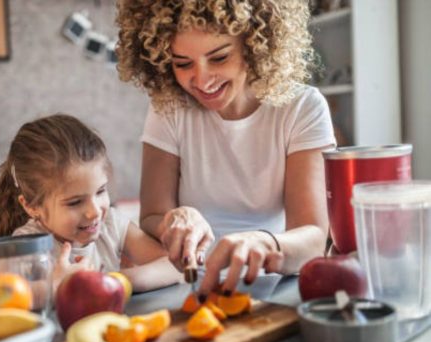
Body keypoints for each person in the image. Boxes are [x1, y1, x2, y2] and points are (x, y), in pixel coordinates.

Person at [115, 0, 336, 297]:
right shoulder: (168, 107)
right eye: (182, 63)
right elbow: (152, 216)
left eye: (219, 58)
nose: (202, 80)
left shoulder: (302, 108)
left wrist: (264, 243)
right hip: (186, 284)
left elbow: (312, 238)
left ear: (255, 44)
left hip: (272, 281)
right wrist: (174, 219)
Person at [0, 114, 181, 294]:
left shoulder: (112, 225)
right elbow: (3, 295)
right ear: (31, 206)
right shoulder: (26, 245)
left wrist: (114, 281)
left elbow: (175, 267)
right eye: (75, 202)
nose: (94, 212)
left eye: (100, 191)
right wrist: (57, 286)